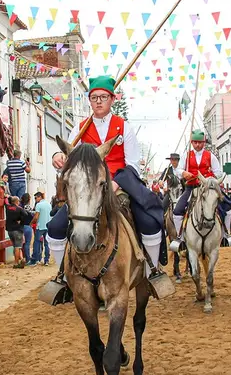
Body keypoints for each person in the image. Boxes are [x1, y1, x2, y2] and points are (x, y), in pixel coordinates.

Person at [48, 76, 166, 280]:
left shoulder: (124, 127)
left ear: (112, 99)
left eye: (103, 97)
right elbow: (69, 158)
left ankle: (152, 271)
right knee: (55, 228)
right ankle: (64, 277)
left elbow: (133, 164)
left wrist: (116, 182)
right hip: (87, 189)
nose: (99, 101)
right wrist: (57, 157)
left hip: (118, 184)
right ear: (89, 100)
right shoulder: (80, 128)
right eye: (94, 97)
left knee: (150, 222)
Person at [171, 130, 231, 242]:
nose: (197, 145)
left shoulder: (210, 156)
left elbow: (218, 172)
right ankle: (181, 238)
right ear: (192, 143)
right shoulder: (186, 155)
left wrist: (210, 178)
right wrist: (184, 173)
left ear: (204, 142)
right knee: (177, 211)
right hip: (192, 187)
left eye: (200, 142)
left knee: (227, 206)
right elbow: (177, 170)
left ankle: (225, 235)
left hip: (208, 188)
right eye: (195, 142)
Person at [5, 196, 31, 268]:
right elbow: (26, 215)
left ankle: (21, 259)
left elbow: (6, 202)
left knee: (15, 246)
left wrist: (6, 197)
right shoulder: (19, 209)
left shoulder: (7, 207)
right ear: (17, 202)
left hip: (10, 230)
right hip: (17, 229)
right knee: (18, 246)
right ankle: (16, 263)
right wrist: (21, 221)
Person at [31, 191, 52, 266]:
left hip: (40, 226)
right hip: (48, 226)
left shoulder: (39, 205)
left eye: (36, 198)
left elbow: (36, 217)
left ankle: (36, 259)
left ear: (40, 197)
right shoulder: (49, 205)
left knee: (36, 243)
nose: (35, 199)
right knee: (47, 244)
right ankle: (46, 260)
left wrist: (31, 223)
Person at [21, 193, 34, 262]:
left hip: (22, 226)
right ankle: (28, 258)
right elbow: (32, 215)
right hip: (28, 226)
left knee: (23, 243)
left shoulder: (21, 206)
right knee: (27, 243)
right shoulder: (27, 207)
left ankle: (24, 257)